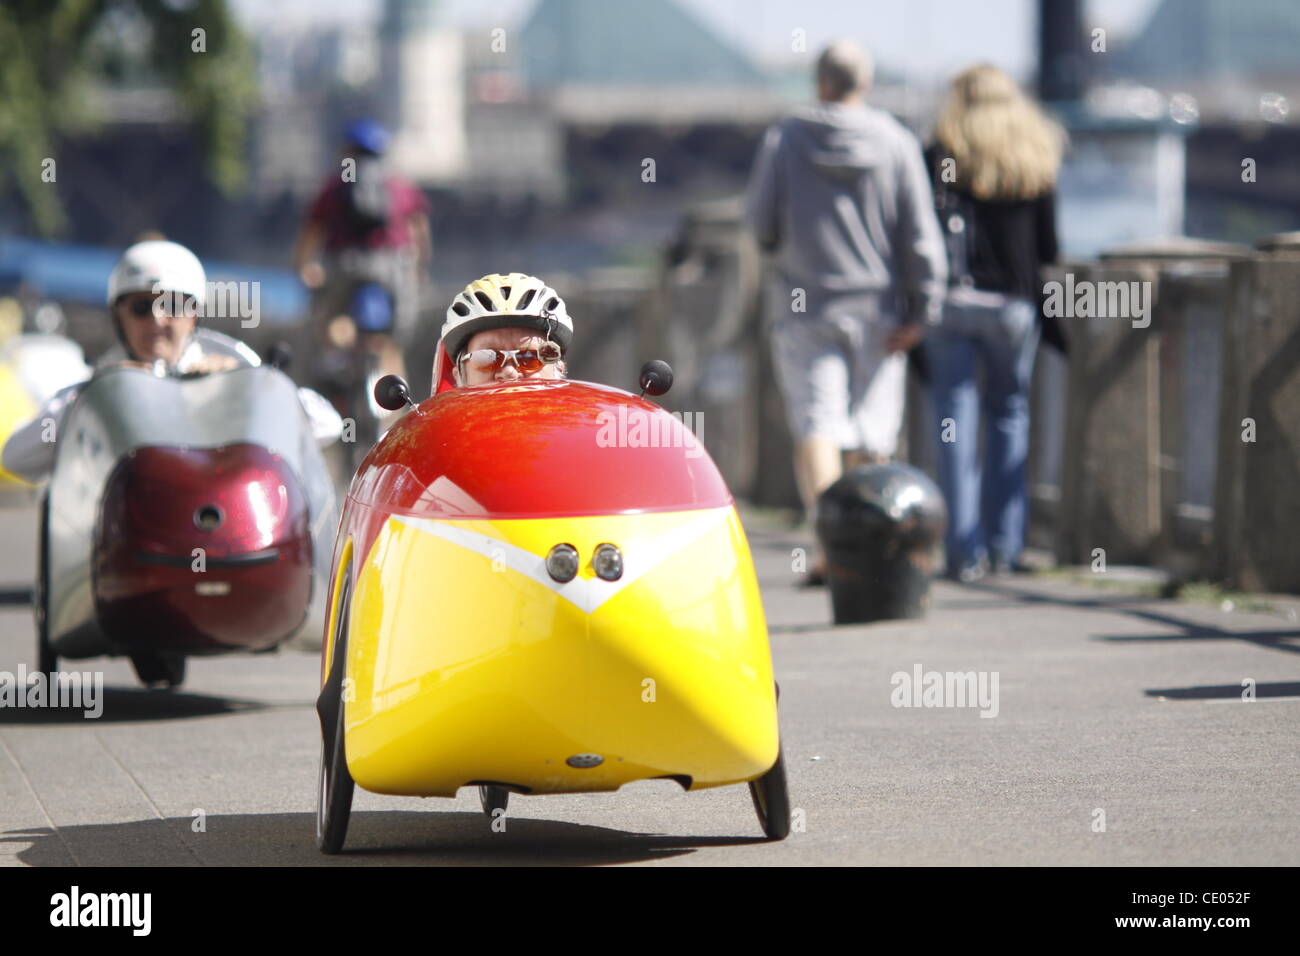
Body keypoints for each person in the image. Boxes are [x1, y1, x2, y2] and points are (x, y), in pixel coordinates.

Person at [745, 39, 947, 582]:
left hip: (804, 305)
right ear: (865, 83)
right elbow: (920, 235)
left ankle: (831, 548)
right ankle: (875, 548)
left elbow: (760, 224)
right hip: (880, 309)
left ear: (820, 83)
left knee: (818, 426)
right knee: (873, 433)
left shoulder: (786, 137)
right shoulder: (897, 141)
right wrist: (924, 307)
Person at [2, 240, 342, 483]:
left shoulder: (235, 365)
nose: (157, 321)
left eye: (173, 306)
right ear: (118, 317)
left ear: (194, 314)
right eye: (140, 307)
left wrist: (245, 383)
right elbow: (17, 457)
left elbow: (328, 424)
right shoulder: (97, 384)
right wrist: (94, 397)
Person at [923, 64, 1065, 581]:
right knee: (1010, 414)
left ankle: (963, 553)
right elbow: (1048, 246)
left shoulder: (940, 151)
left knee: (953, 421)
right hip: (1012, 304)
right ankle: (1006, 545)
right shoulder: (1035, 153)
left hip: (952, 301)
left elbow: (921, 230)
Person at [293, 118, 432, 386]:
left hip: (344, 265)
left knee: (330, 320)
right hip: (392, 267)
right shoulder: (399, 187)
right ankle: (395, 412)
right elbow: (419, 232)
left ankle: (336, 363)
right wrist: (419, 268)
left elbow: (311, 233)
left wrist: (304, 266)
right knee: (392, 343)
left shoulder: (334, 186)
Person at [439, 273, 571, 388]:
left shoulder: (587, 416)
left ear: (559, 369)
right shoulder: (434, 418)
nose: (509, 372)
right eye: (486, 358)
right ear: (459, 376)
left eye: (530, 357)